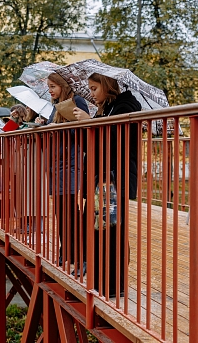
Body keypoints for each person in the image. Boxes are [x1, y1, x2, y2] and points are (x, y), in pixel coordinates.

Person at [73, 72, 141, 297]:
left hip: (112, 178)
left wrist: (90, 122)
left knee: (111, 229)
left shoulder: (125, 107)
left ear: (107, 85)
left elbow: (112, 140)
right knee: (105, 228)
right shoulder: (109, 108)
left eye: (94, 89)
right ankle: (106, 281)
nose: (91, 94)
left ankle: (113, 285)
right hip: (105, 177)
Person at [45, 72, 89, 270]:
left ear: (63, 85)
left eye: (53, 86)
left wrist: (60, 127)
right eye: (49, 86)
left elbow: (83, 130)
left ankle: (81, 255)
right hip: (56, 163)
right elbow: (49, 127)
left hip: (71, 161)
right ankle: (66, 251)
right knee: (61, 210)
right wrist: (43, 125)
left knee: (71, 209)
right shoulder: (54, 107)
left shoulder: (76, 100)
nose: (50, 89)